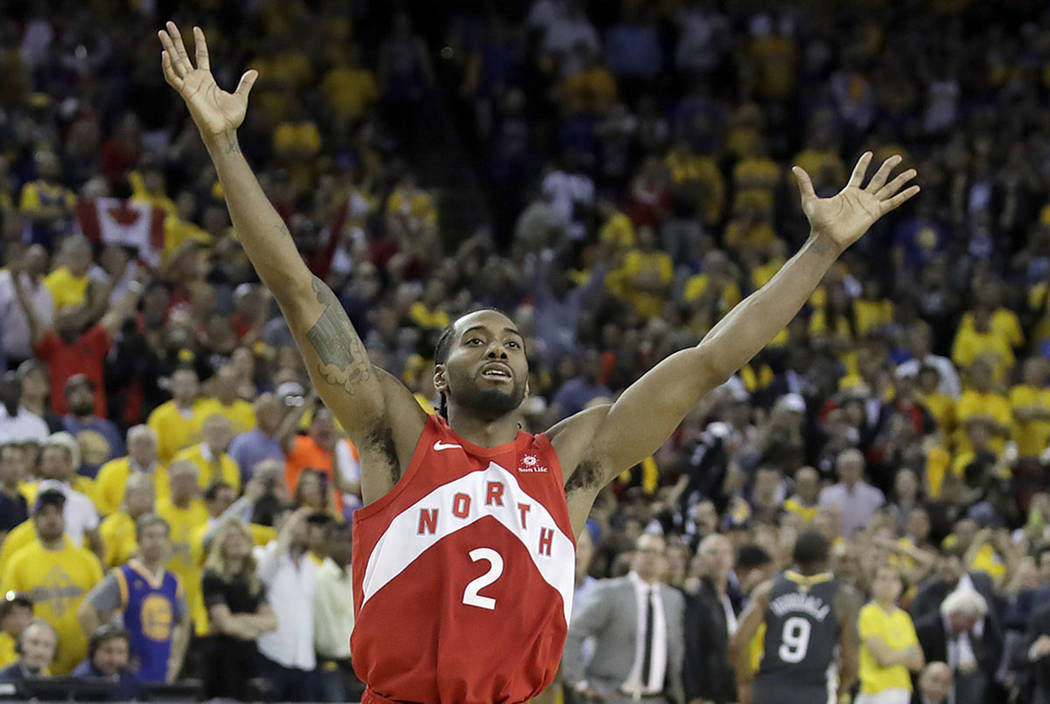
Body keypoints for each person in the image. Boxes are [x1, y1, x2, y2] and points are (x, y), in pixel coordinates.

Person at [158, 21, 917, 702]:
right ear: (439, 377)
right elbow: (297, 289)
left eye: (512, 343)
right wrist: (224, 144)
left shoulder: (572, 458)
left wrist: (820, 250)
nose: (498, 349)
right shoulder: (397, 432)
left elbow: (711, 360)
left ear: (528, 374)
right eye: (476, 340)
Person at [730, 529, 861, 704]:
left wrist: (744, 681)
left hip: (768, 690)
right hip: (812, 693)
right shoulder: (843, 598)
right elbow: (852, 662)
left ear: (793, 555)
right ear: (827, 558)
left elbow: (738, 643)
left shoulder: (768, 590)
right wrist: (840, 691)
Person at [562, 532, 686, 703]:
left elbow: (676, 649)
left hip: (657, 698)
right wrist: (578, 682)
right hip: (611, 696)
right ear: (633, 557)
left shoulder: (673, 599)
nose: (651, 557)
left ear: (665, 562)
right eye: (645, 551)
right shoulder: (610, 591)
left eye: (657, 553)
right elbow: (573, 634)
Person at [0, 489, 103, 674]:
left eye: (57, 512)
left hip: (81, 663)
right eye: (44, 513)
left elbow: (102, 610)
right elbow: (9, 613)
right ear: (34, 519)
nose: (51, 518)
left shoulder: (88, 561)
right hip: (35, 664)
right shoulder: (18, 562)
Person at [78, 515, 190, 684]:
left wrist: (176, 659)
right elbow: (85, 612)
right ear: (138, 540)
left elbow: (184, 621)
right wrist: (108, 652)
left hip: (161, 670)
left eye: (161, 536)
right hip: (129, 673)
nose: (156, 542)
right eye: (150, 536)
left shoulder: (173, 581)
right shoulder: (123, 576)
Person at [200, 518, 277, 700]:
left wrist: (240, 619)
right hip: (221, 660)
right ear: (221, 543)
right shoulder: (212, 577)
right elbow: (227, 626)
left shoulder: (254, 581)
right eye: (231, 536)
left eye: (241, 535)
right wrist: (254, 627)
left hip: (249, 658)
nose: (236, 540)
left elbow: (273, 622)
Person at [255, 507, 318, 701]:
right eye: (294, 523)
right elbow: (264, 573)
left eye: (304, 524)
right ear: (279, 527)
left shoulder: (312, 566)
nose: (302, 528)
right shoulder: (263, 555)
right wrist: (292, 525)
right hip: (273, 654)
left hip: (305, 659)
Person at [913, 585, 1003, 704]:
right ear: (956, 614)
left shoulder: (959, 633)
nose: (972, 627)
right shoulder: (927, 629)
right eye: (971, 621)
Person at [684, 533, 740, 704]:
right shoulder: (695, 597)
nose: (720, 558)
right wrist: (695, 694)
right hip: (707, 695)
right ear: (700, 560)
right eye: (713, 552)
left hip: (726, 692)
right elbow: (690, 649)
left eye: (725, 552)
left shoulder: (730, 599)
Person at [857, 565, 924, 704]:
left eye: (894, 579)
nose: (888, 584)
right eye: (883, 578)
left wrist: (893, 653)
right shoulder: (868, 613)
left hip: (901, 689)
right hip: (874, 690)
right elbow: (883, 658)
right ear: (873, 583)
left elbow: (918, 661)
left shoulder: (904, 617)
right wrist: (906, 653)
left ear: (900, 585)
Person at [314, 520, 357, 703]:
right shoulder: (320, 578)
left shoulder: (354, 575)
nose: (345, 546)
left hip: (356, 663)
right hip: (333, 664)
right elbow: (326, 628)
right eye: (338, 541)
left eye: (348, 540)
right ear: (326, 545)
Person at [95, 425, 167, 516]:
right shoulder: (109, 471)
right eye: (138, 443)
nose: (143, 448)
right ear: (128, 446)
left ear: (156, 447)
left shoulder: (166, 475)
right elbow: (99, 503)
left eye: (148, 443)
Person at [71, 624, 138, 701]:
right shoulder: (82, 678)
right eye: (108, 651)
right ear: (93, 652)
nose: (114, 659)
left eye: (120, 652)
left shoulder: (128, 674)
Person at [0, 592, 34, 668]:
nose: (20, 620)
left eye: (25, 614)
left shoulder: (37, 643)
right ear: (3, 619)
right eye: (14, 614)